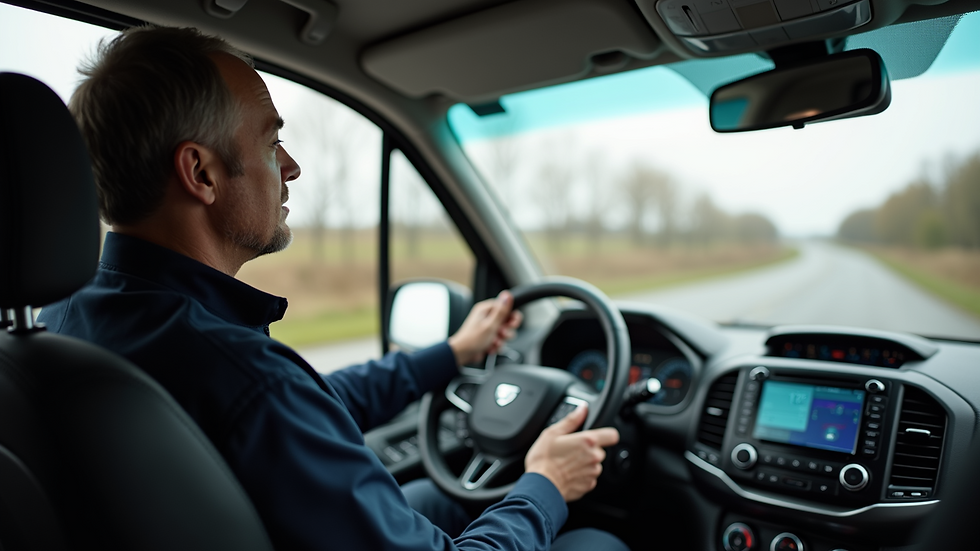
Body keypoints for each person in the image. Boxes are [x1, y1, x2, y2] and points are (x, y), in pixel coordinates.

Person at [37, 26, 628, 551]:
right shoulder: (242, 375)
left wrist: (452, 355)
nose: (290, 166)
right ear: (201, 173)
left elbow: (302, 404)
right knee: (597, 539)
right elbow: (274, 402)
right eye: (271, 143)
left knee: (440, 496)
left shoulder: (64, 320)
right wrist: (545, 485)